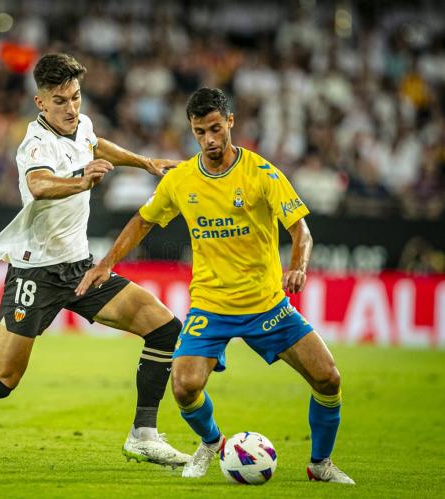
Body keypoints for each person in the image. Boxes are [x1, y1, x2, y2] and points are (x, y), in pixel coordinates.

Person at [0, 53, 189, 467]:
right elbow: (38, 185)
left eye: (75, 97)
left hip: (80, 269)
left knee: (164, 328)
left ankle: (143, 434)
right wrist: (80, 180)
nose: (71, 108)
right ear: (41, 103)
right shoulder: (34, 144)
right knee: (3, 379)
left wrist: (145, 162)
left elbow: (94, 143)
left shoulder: (82, 124)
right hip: (35, 273)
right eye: (60, 101)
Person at [77, 88, 355, 484]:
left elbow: (300, 230)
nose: (208, 139)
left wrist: (297, 267)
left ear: (230, 122)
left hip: (267, 304)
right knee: (185, 386)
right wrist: (106, 264)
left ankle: (321, 465)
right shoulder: (182, 179)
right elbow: (142, 221)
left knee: (328, 378)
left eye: (214, 128)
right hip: (211, 306)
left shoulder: (261, 172)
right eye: (199, 131)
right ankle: (212, 442)